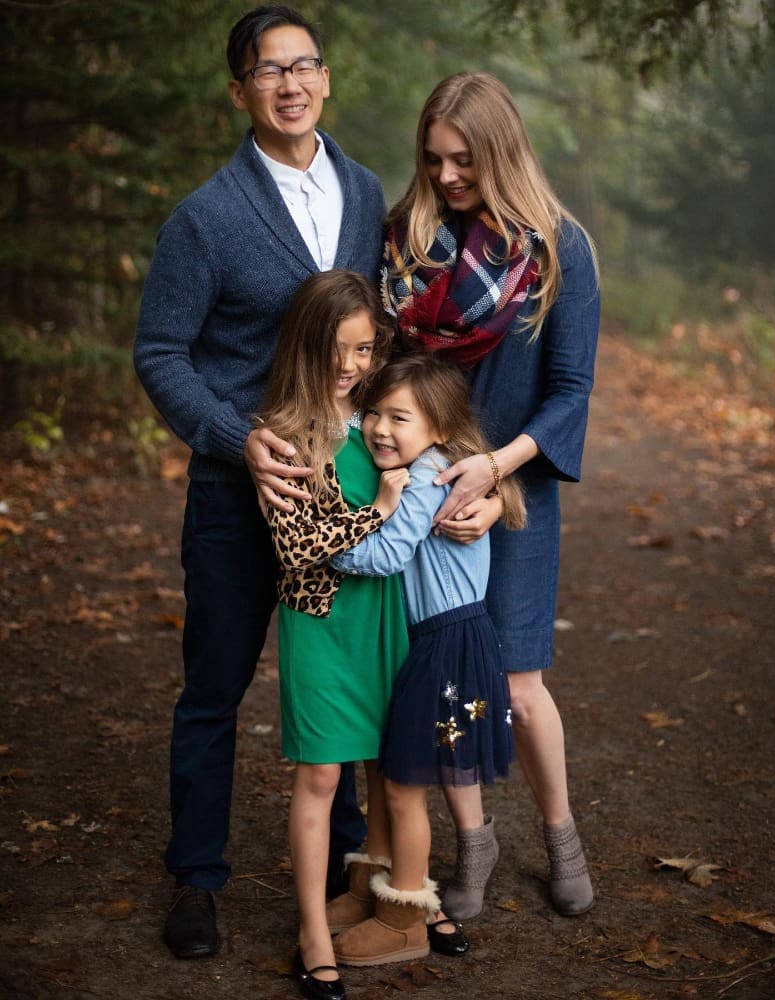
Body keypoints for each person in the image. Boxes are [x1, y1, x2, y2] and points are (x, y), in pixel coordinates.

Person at [133, 4, 384, 960]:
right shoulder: (205, 217)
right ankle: (195, 877)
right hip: (240, 495)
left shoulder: (364, 193)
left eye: (305, 65)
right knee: (216, 687)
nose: (290, 83)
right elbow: (161, 353)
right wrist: (237, 438)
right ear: (240, 90)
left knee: (343, 674)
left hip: (343, 493)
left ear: (326, 79)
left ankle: (345, 863)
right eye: (268, 70)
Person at [381, 72, 601, 920]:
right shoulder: (406, 240)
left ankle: (560, 833)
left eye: (463, 161)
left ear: (500, 152)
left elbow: (572, 390)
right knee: (445, 679)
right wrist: (420, 473)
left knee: (516, 686)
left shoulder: (558, 249)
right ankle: (474, 841)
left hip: (514, 488)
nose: (445, 177)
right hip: (428, 496)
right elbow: (392, 376)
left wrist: (494, 469)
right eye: (433, 160)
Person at [321, 354, 525, 967]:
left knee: (406, 785)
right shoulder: (430, 455)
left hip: (447, 646)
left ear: (438, 427)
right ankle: (379, 893)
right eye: (374, 413)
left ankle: (407, 917)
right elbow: (349, 425)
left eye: (399, 418)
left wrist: (320, 551)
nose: (381, 429)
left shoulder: (434, 473)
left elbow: (384, 555)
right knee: (391, 773)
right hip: (441, 641)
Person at [257, 269, 410, 1000]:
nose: (351, 367)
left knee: (388, 767)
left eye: (364, 350)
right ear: (306, 346)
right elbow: (297, 547)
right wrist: (379, 508)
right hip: (319, 619)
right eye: (337, 351)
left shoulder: (386, 414)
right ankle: (314, 930)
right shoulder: (282, 433)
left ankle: (392, 899)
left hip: (384, 614)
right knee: (321, 774)